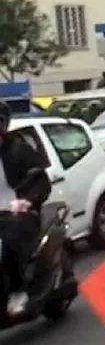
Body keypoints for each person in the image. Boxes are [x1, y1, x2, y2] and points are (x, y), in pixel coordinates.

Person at [0, 104, 51, 317]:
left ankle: (17, 290)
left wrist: (27, 201)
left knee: (9, 240)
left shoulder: (19, 150)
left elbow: (42, 184)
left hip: (18, 214)